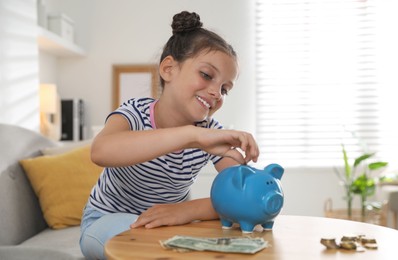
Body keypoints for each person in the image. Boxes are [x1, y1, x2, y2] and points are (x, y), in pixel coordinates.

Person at [79, 11, 259, 259]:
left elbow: (246, 199)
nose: (217, 93)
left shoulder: (212, 133)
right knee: (150, 247)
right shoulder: (135, 113)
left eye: (225, 89)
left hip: (168, 225)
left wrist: (186, 211)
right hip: (105, 220)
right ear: (168, 69)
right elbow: (101, 151)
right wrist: (190, 136)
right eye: (206, 75)